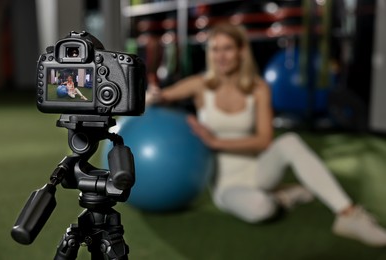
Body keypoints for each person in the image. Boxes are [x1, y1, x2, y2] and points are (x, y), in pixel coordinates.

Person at [146, 22, 386, 247]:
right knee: (262, 208)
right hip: (226, 184)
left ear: (241, 51)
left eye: (228, 48)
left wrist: (216, 141)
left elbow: (263, 140)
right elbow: (161, 97)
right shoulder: (200, 85)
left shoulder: (258, 88)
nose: (220, 56)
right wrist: (153, 96)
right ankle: (281, 197)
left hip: (259, 169)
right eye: (215, 49)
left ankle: (348, 215)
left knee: (290, 141)